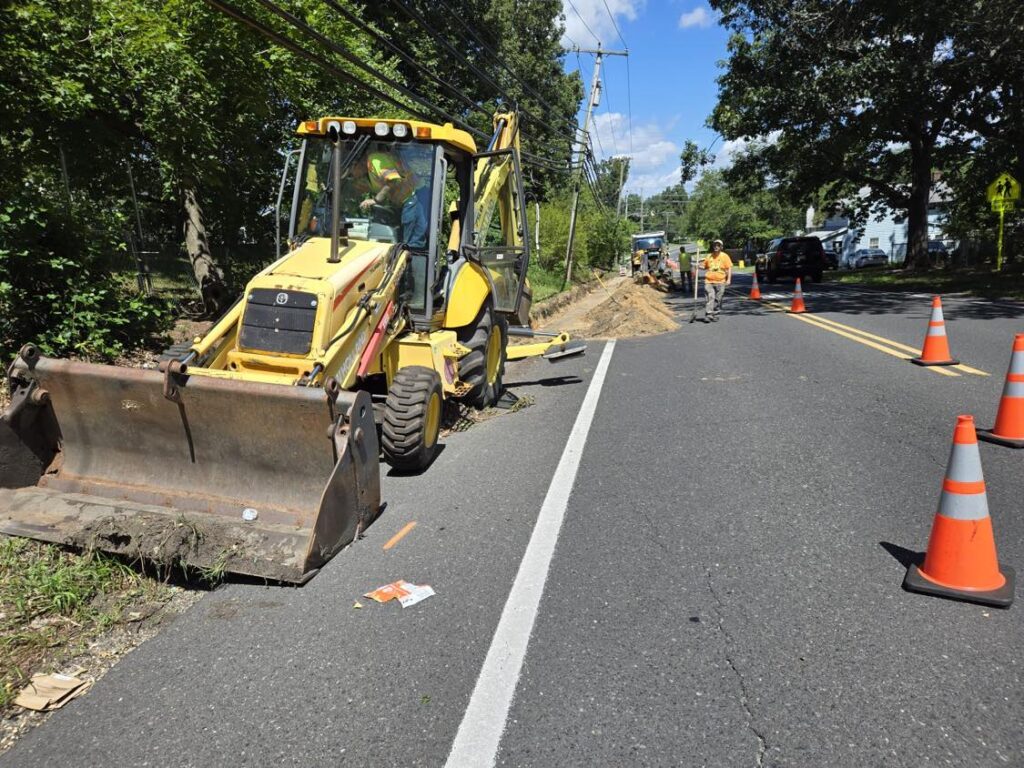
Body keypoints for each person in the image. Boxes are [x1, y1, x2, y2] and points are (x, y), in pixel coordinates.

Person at [353, 149, 428, 249]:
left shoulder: (375, 161)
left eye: (351, 171)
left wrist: (375, 200)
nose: (352, 174)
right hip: (404, 200)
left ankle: (411, 261)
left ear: (356, 163)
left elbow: (393, 180)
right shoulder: (368, 175)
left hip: (414, 195)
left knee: (411, 243)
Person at [699, 239, 732, 322]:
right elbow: (705, 266)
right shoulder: (709, 256)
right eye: (715, 245)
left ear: (721, 247)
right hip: (709, 281)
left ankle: (716, 313)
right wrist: (698, 266)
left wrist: (728, 279)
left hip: (721, 281)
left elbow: (729, 268)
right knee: (710, 297)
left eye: (718, 245)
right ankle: (708, 314)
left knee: (718, 299)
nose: (716, 247)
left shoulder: (725, 256)